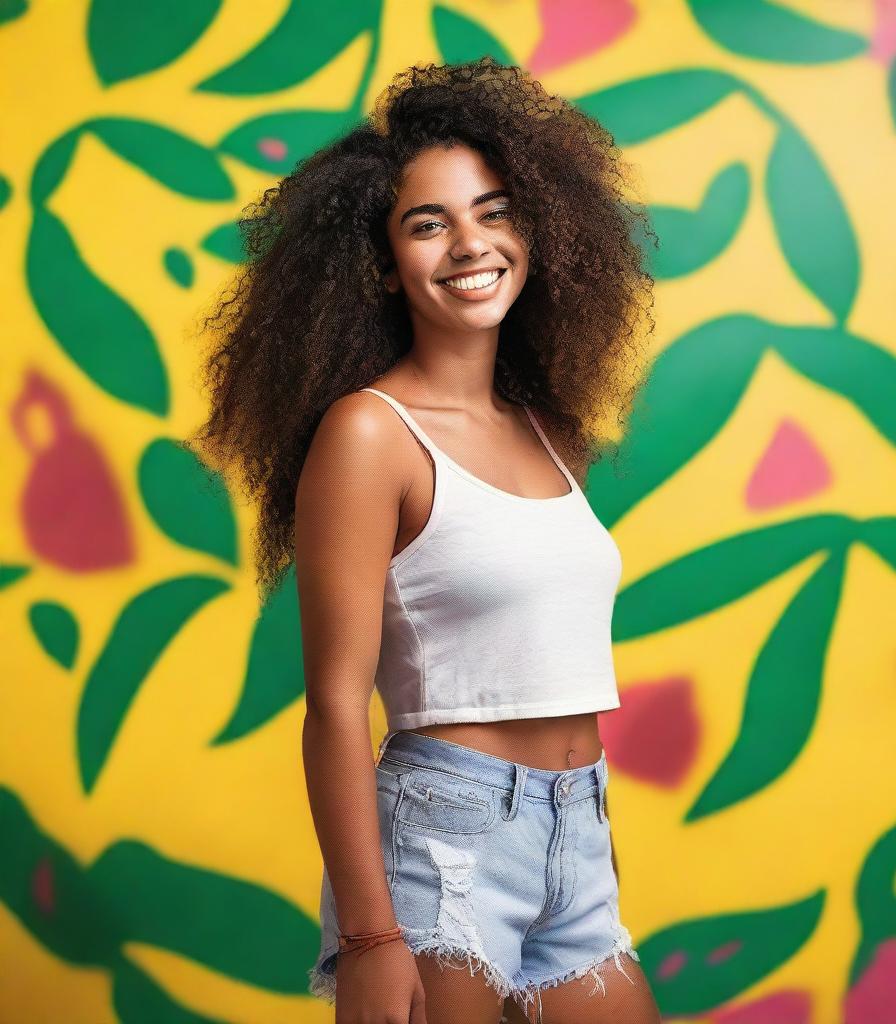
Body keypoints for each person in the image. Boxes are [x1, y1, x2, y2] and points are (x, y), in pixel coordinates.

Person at [188, 57, 659, 1024]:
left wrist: (586, 845)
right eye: (427, 223)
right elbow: (330, 705)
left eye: (493, 212)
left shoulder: (546, 430)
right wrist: (368, 936)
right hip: (445, 845)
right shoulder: (369, 434)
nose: (470, 244)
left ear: (537, 228)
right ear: (383, 259)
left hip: (580, 826)